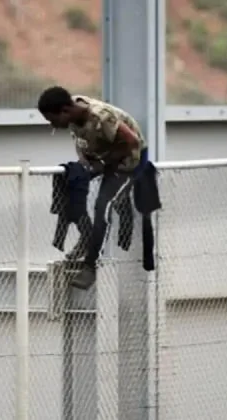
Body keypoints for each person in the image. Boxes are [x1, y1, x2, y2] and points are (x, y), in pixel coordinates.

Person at [37, 86, 147, 290]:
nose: (52, 126)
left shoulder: (100, 117)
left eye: (52, 120)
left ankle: (91, 265)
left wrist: (105, 164)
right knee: (71, 183)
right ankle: (87, 236)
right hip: (102, 158)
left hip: (127, 162)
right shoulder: (73, 116)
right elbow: (81, 141)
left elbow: (132, 142)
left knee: (102, 207)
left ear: (64, 111)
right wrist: (85, 163)